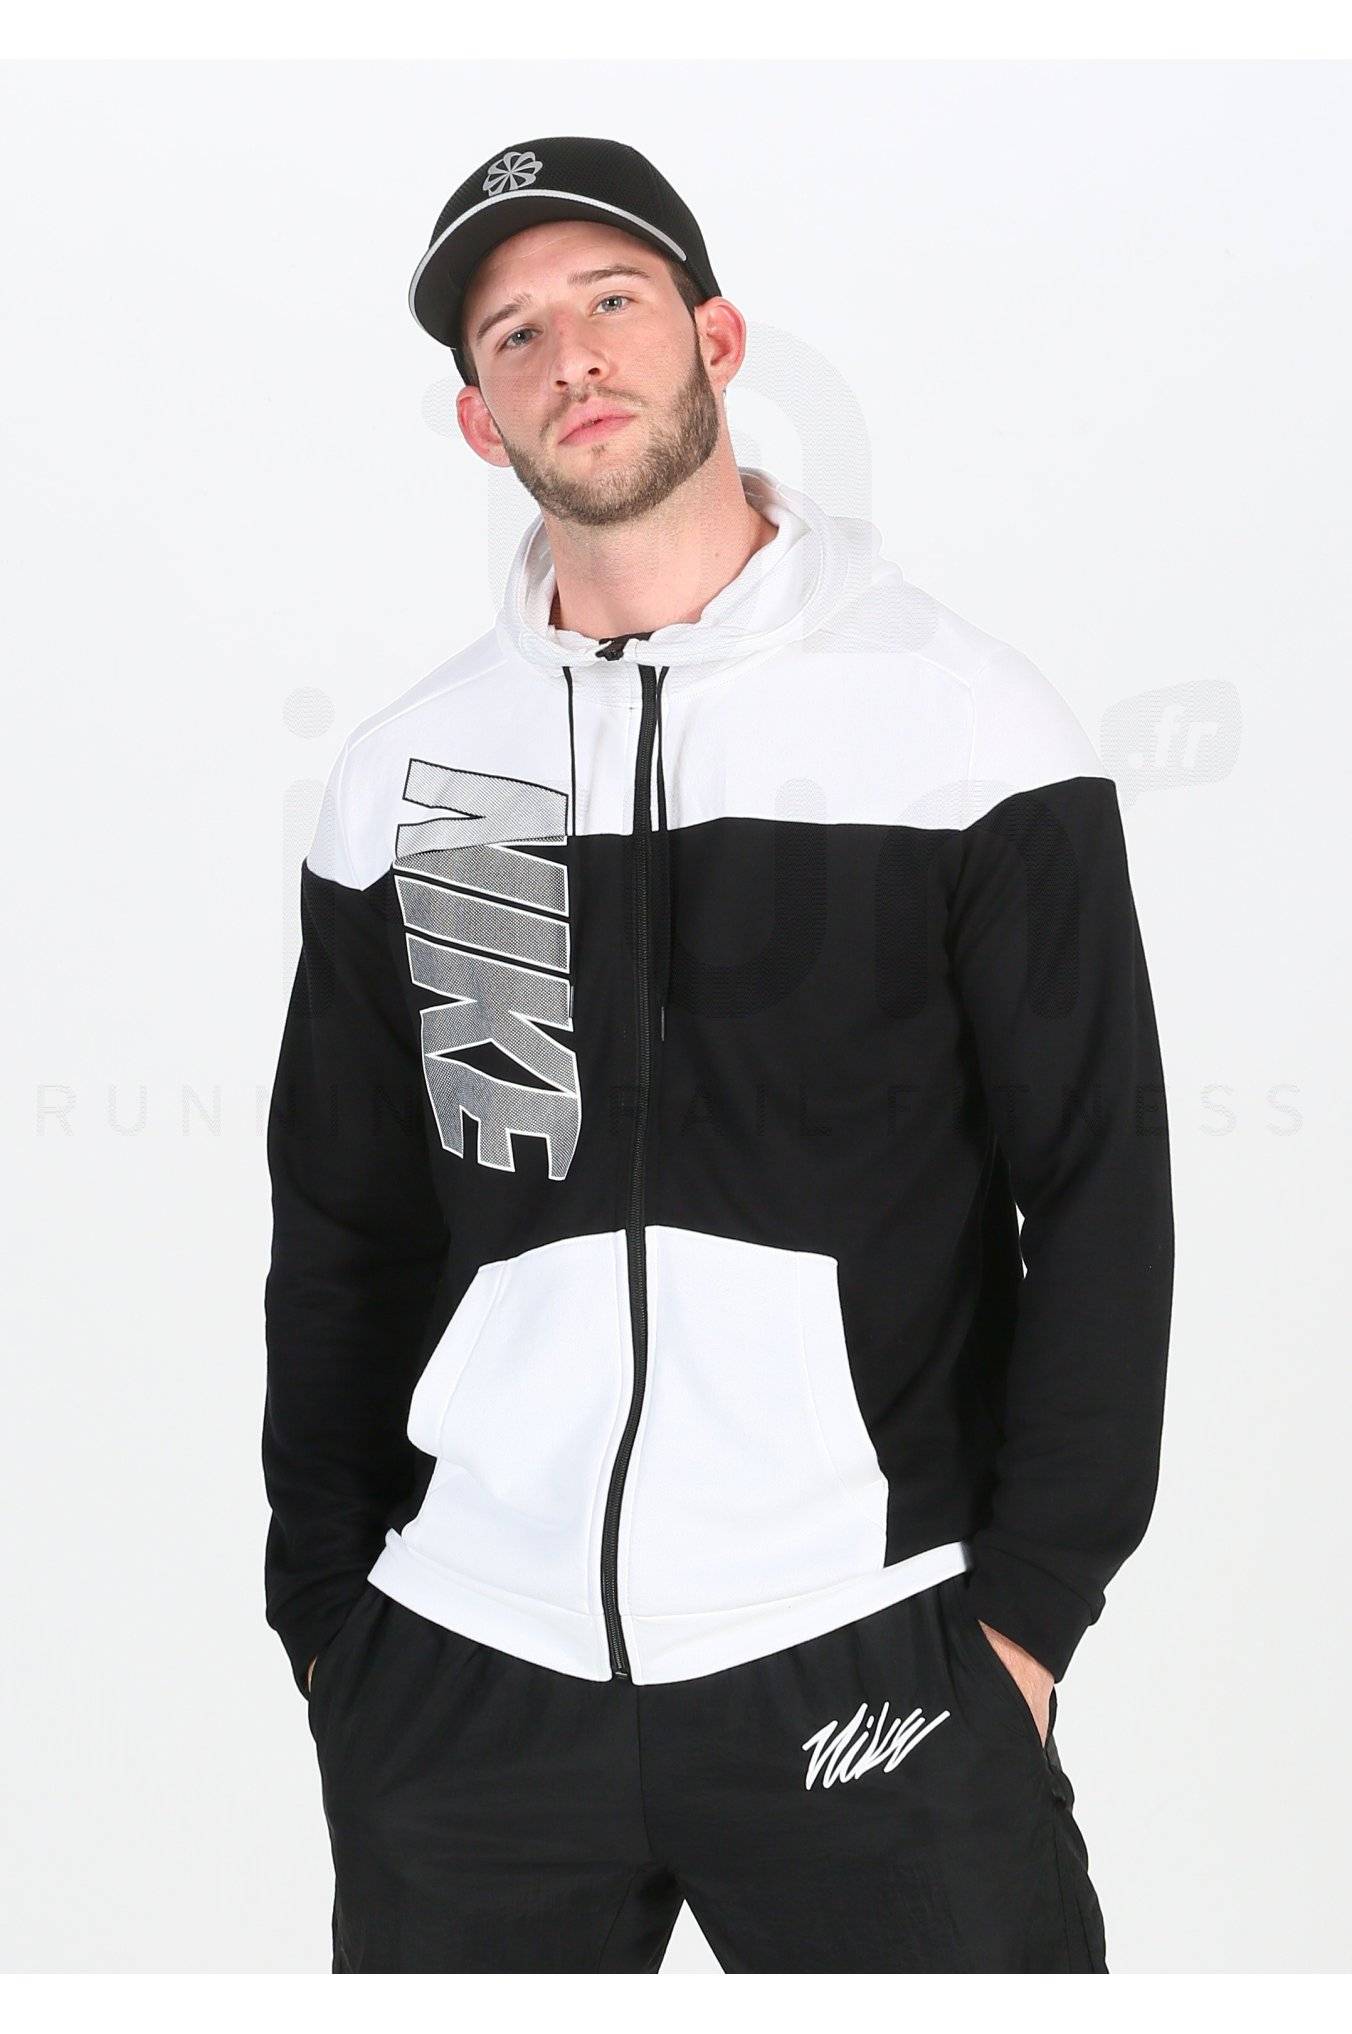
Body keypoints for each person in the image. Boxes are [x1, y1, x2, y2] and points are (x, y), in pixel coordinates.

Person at [262, 134, 1174, 1974]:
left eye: (613, 299)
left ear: (718, 338)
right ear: (480, 421)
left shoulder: (962, 728)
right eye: (516, 335)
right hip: (466, 1674)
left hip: (870, 1643)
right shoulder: (410, 779)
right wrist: (332, 1619)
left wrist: (1026, 1618)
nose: (574, 355)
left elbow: (1096, 1195)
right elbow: (344, 1222)